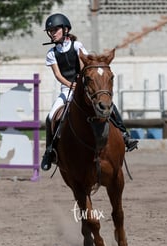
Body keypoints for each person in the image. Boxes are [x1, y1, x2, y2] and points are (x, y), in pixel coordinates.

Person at [41, 13, 138, 171]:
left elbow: (83, 67)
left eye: (55, 29)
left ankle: (125, 135)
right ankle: (49, 151)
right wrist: (69, 85)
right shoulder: (51, 53)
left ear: (65, 29)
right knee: (50, 117)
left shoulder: (77, 46)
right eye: (50, 30)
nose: (52, 32)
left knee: (108, 105)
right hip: (66, 89)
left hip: (82, 87)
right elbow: (58, 75)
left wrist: (78, 85)